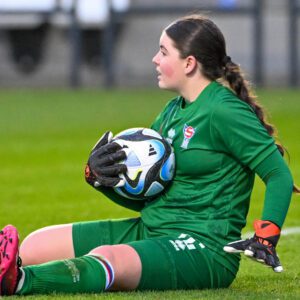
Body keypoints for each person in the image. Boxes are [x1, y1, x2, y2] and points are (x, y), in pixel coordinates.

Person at [0, 14, 298, 296]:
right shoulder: (171, 112)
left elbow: (278, 175)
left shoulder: (224, 110)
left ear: (189, 63)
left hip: (202, 248)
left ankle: (19, 282)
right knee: (36, 243)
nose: (155, 59)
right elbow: (146, 197)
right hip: (152, 229)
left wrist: (266, 235)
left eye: (163, 52)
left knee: (108, 258)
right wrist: (102, 181)